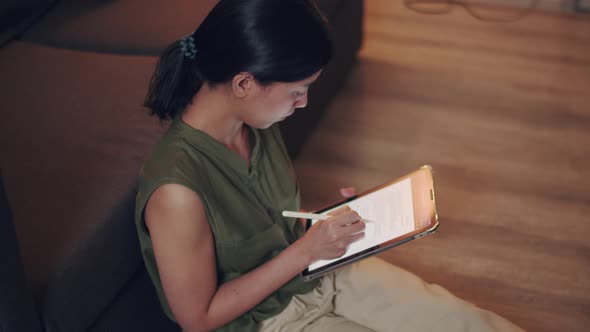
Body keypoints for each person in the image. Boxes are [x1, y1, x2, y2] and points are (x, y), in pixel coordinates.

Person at [135, 0, 525, 331]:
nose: (302, 104)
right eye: (297, 92)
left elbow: (272, 223)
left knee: (466, 321)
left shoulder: (254, 122)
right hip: (266, 321)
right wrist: (306, 251)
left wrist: (327, 224)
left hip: (316, 271)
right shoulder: (177, 193)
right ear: (244, 84)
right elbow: (198, 318)